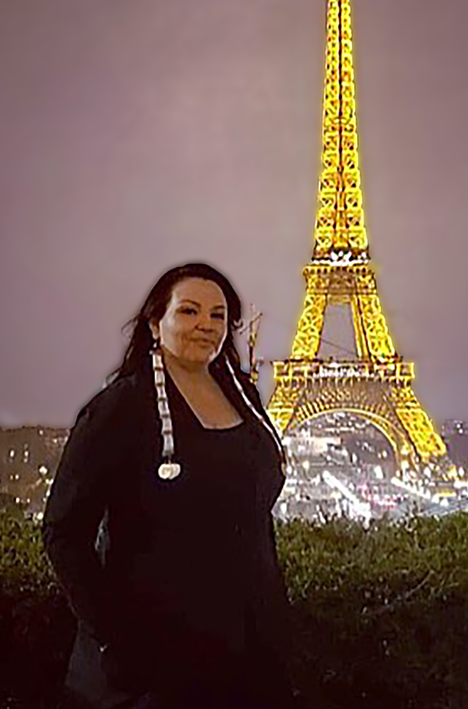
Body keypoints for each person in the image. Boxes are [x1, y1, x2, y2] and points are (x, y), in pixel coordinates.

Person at [43, 263, 299, 709]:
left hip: (249, 650)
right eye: (189, 311)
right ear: (154, 322)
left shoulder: (243, 395)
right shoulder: (120, 409)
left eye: (219, 316)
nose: (206, 325)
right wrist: (114, 639)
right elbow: (64, 532)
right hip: (158, 658)